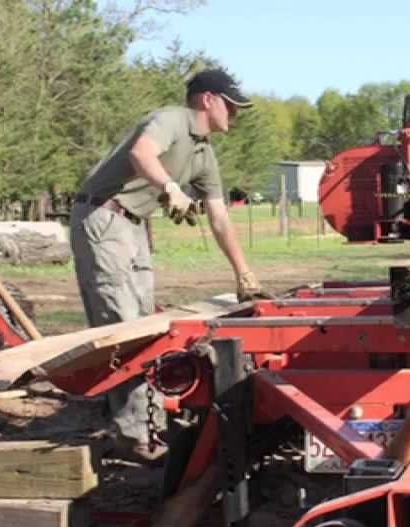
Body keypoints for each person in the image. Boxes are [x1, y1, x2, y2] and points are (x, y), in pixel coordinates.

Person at [70, 68, 268, 464]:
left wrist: (243, 274)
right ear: (207, 99)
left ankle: (151, 423)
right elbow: (141, 152)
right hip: (103, 216)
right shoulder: (171, 119)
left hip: (133, 224)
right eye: (231, 105)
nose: (235, 114)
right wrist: (171, 188)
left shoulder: (204, 154)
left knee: (148, 325)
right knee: (122, 326)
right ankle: (134, 436)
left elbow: (219, 217)